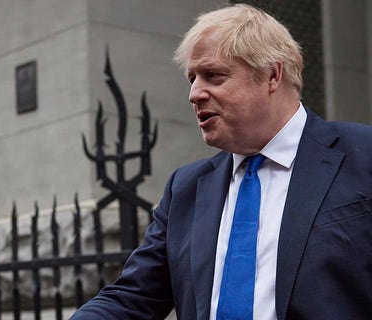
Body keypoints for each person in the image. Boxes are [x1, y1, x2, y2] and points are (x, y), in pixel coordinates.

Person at [71, 4, 372, 320]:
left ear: (272, 74)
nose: (194, 93)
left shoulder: (362, 157)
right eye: (192, 78)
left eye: (212, 75)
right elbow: (132, 299)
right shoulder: (185, 189)